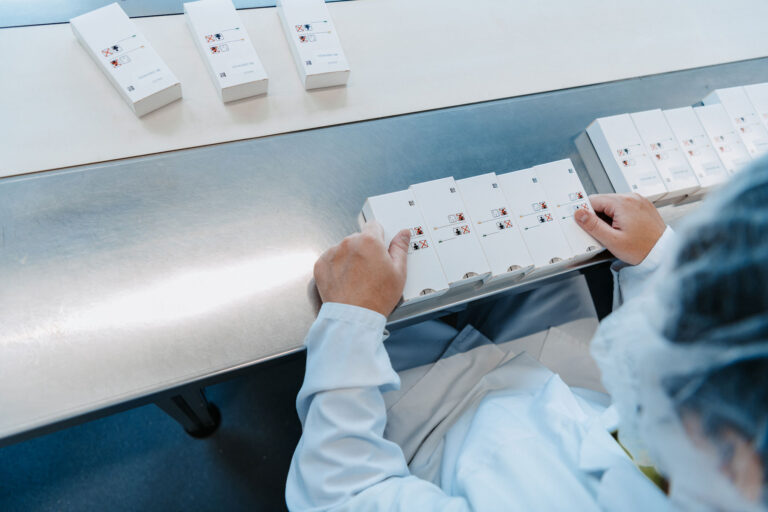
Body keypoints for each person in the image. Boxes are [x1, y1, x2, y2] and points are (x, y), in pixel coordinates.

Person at [285, 159, 768, 511]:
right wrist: (658, 261)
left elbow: (344, 494)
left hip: (437, 426)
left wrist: (353, 318)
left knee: (350, 264)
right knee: (512, 210)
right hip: (579, 390)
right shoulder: (729, 449)